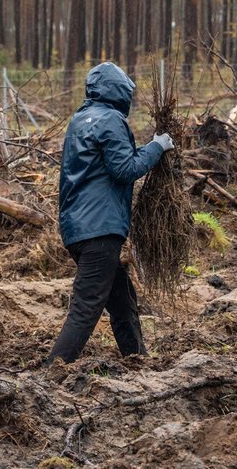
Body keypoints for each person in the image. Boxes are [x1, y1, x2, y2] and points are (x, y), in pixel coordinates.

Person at [45, 62, 174, 365]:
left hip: (77, 228)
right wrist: (157, 148)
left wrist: (147, 149)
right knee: (87, 305)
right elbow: (125, 168)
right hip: (101, 229)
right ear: (119, 91)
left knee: (121, 297)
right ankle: (53, 369)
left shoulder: (80, 120)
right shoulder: (112, 119)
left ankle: (136, 357)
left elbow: (109, 164)